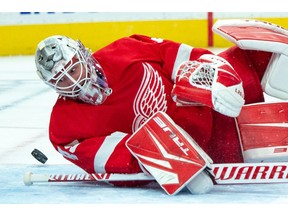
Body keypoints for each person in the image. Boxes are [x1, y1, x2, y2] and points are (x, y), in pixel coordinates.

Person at [34, 19, 288, 194]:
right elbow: (124, 159)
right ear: (53, 86)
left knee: (254, 54)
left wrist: (217, 80)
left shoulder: (126, 48)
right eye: (62, 80)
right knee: (157, 132)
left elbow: (187, 57)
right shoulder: (64, 130)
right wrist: (173, 165)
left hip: (221, 101)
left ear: (84, 54)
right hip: (206, 146)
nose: (73, 80)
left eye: (74, 69)